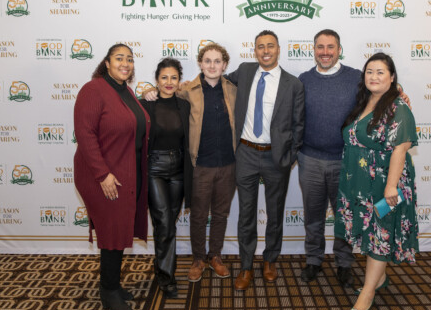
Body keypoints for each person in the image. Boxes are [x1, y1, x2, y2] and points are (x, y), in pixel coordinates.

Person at [144, 44, 238, 282]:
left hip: (228, 163)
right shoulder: (187, 90)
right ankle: (198, 258)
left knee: (220, 214)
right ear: (200, 63)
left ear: (225, 65)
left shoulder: (234, 89)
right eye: (208, 61)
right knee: (197, 215)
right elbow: (165, 94)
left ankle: (215, 255)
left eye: (218, 61)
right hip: (200, 165)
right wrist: (148, 92)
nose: (213, 65)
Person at [335, 53, 418, 310]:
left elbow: (400, 148)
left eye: (380, 72)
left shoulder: (398, 107)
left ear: (392, 77)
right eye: (370, 71)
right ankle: (379, 279)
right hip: (360, 183)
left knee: (380, 236)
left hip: (385, 185)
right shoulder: (365, 101)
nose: (374, 76)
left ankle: (368, 291)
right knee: (371, 234)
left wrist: (391, 188)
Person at [73, 44, 149, 310]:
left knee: (117, 230)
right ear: (107, 63)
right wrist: (102, 174)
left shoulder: (125, 91)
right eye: (119, 58)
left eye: (129, 59)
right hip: (103, 176)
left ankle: (113, 286)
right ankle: (108, 292)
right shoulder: (93, 90)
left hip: (126, 173)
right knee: (111, 232)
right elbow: (85, 134)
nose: (125, 63)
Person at [226, 30, 305, 291]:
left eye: (270, 45)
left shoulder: (293, 84)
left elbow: (298, 126)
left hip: (276, 156)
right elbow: (215, 80)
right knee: (246, 215)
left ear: (279, 49)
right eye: (260, 46)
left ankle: (270, 260)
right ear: (254, 50)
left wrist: (288, 157)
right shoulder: (245, 71)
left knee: (275, 214)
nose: (265, 50)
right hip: (246, 153)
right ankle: (246, 265)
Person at [297, 29, 359, 286]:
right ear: (314, 50)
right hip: (309, 158)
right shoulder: (303, 79)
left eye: (330, 47)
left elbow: (379, 95)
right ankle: (313, 259)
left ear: (339, 49)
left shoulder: (356, 78)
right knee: (313, 216)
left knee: (345, 217)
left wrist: (398, 90)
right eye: (320, 47)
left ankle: (344, 263)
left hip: (344, 160)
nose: (325, 52)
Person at [140, 58, 192, 299]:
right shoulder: (146, 104)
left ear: (179, 81)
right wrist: (145, 92)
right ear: (156, 80)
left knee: (169, 222)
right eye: (164, 78)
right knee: (163, 220)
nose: (169, 82)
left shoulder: (185, 104)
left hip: (180, 170)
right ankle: (166, 276)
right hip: (155, 169)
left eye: (174, 78)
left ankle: (162, 266)